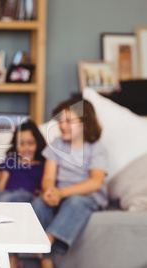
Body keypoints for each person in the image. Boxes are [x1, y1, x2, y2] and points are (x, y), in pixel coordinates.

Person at [31, 97, 107, 268]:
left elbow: (96, 182)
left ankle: (46, 241)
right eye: (60, 121)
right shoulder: (57, 144)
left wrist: (62, 193)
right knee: (37, 203)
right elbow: (48, 177)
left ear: (85, 123)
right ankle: (46, 260)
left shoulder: (96, 148)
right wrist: (49, 191)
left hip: (86, 198)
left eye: (68, 121)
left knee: (75, 202)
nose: (62, 125)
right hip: (60, 196)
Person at [0, 120, 46, 203]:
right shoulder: (12, 160)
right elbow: (1, 185)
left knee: (6, 199)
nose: (26, 148)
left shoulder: (43, 164)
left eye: (30, 143)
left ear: (38, 143)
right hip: (7, 192)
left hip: (28, 195)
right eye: (21, 144)